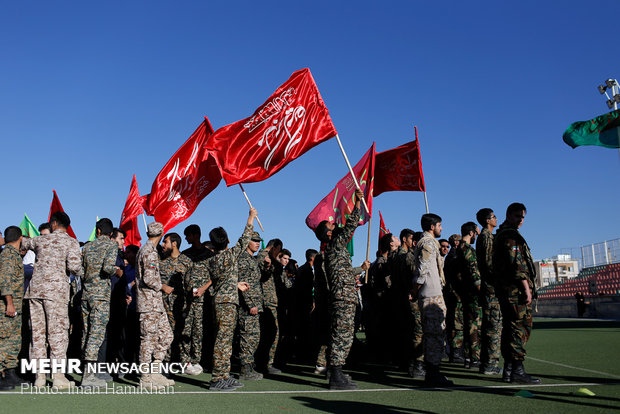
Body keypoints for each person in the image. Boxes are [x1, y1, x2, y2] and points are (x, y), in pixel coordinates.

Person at [314, 188, 370, 390]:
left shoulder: (333, 250)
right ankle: (336, 375)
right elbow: (350, 226)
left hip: (344, 295)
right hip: (343, 296)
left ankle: (335, 371)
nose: (334, 223)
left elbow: (343, 271)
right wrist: (357, 203)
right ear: (328, 233)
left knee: (342, 333)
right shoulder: (336, 244)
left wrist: (360, 269)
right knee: (342, 335)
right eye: (331, 224)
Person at [21, 212, 84, 388]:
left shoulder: (41, 240)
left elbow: (23, 242)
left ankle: (39, 377)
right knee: (57, 334)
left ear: (54, 224)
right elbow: (74, 267)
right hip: (56, 293)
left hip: (35, 292)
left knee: (38, 335)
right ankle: (58, 377)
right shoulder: (71, 242)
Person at [204, 208, 256, 391]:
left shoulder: (213, 260)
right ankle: (218, 378)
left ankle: (224, 375)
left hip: (222, 300)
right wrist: (250, 218)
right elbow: (243, 241)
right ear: (226, 240)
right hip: (226, 303)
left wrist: (235, 284)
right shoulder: (229, 255)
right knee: (223, 341)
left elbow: (221, 281)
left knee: (225, 339)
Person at [493, 202, 540, 384]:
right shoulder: (510, 236)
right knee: (518, 329)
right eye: (517, 216)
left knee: (511, 329)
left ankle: (510, 369)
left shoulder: (504, 234)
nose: (520, 220)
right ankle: (517, 371)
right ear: (509, 215)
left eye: (522, 217)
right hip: (514, 291)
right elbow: (517, 265)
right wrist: (526, 289)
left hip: (508, 290)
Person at [412, 213, 453, 387]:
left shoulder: (429, 243)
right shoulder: (428, 243)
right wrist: (414, 290)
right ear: (432, 226)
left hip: (431, 293)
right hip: (431, 295)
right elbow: (422, 271)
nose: (441, 228)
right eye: (439, 225)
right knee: (434, 335)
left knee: (434, 335)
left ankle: (433, 372)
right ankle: (433, 373)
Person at [80, 218, 122, 388]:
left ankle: (85, 370)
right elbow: (107, 267)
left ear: (97, 231)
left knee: (87, 332)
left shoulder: (88, 246)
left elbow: (81, 271)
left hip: (86, 294)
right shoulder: (111, 245)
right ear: (111, 233)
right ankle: (89, 376)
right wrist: (118, 271)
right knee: (96, 334)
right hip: (100, 296)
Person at [135, 222, 174, 389]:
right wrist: (163, 286)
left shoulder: (149, 250)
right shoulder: (149, 252)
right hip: (149, 304)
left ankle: (155, 372)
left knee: (166, 336)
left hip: (155, 304)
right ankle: (145, 377)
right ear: (161, 233)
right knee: (148, 340)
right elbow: (149, 279)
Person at [476, 208, 502, 375]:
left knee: (490, 325)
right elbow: (488, 264)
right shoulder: (486, 237)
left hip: (490, 287)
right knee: (494, 326)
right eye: (493, 217)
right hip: (492, 288)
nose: (496, 219)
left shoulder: (487, 236)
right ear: (487, 220)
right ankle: (490, 364)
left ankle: (486, 362)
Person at [159, 232, 193, 363]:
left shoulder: (186, 261)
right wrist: (163, 286)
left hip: (182, 305)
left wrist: (189, 305)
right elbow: (153, 280)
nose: (163, 244)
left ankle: (185, 362)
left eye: (165, 241)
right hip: (164, 306)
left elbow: (191, 285)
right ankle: (166, 363)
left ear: (174, 244)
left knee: (183, 333)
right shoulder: (161, 262)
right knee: (165, 335)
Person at [237, 231, 265, 380]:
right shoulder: (243, 259)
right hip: (248, 306)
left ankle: (249, 365)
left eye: (258, 241)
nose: (257, 243)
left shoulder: (252, 259)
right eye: (254, 240)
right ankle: (245, 368)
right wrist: (250, 304)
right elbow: (242, 283)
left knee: (254, 337)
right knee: (248, 337)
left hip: (255, 304)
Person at [0, 226, 25, 390]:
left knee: (13, 342)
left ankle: (10, 373)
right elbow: (4, 281)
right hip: (7, 306)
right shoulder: (8, 255)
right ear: (20, 238)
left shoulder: (14, 254)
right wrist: (9, 303)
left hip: (15, 306)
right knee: (4, 341)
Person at [455, 222, 482, 369]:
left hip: (465, 291)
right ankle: (474, 358)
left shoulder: (459, 248)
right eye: (476, 233)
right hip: (472, 292)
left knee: (468, 325)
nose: (476, 236)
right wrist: (480, 289)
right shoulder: (467, 249)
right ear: (472, 233)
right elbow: (473, 271)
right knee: (474, 326)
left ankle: (468, 358)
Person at [257, 238, 283, 374]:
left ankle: (264, 362)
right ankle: (267, 363)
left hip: (268, 302)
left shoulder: (270, 260)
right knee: (271, 334)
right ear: (275, 247)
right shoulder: (264, 257)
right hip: (267, 302)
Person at [443, 234, 464, 363]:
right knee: (457, 324)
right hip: (455, 293)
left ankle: (456, 352)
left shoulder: (452, 256)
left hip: (453, 293)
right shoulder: (454, 256)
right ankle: (456, 353)